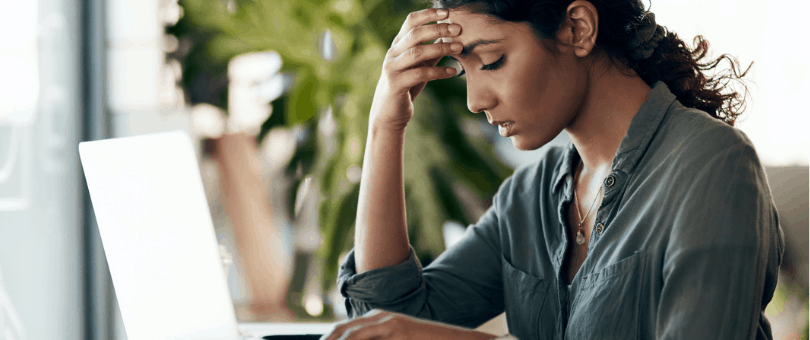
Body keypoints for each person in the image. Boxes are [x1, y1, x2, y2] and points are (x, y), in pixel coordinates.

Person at [321, 0, 784, 339]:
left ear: (577, 28)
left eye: (492, 61)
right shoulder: (529, 198)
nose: (475, 100)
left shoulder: (713, 165)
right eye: (466, 71)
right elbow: (388, 318)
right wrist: (385, 124)